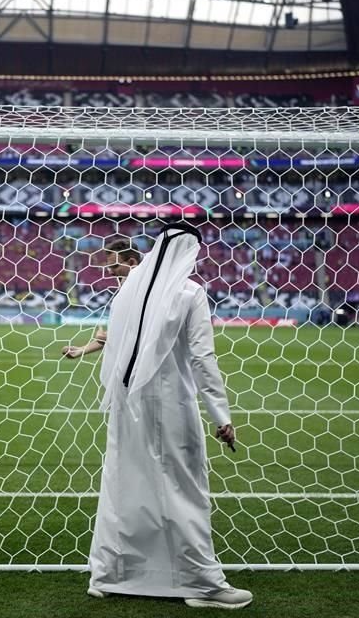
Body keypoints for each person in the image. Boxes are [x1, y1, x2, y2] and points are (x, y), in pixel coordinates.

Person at [70, 222, 251, 610]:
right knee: (185, 490)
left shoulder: (126, 294)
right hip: (172, 406)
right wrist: (221, 414)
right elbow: (203, 358)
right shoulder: (189, 293)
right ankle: (202, 584)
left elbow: (114, 348)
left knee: (124, 487)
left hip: (126, 405)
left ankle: (108, 575)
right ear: (190, 252)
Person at [61, 238, 142, 359]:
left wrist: (113, 337)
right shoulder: (126, 285)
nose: (110, 272)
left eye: (114, 266)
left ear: (131, 263)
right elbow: (126, 329)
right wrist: (81, 350)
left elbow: (148, 329)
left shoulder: (148, 289)